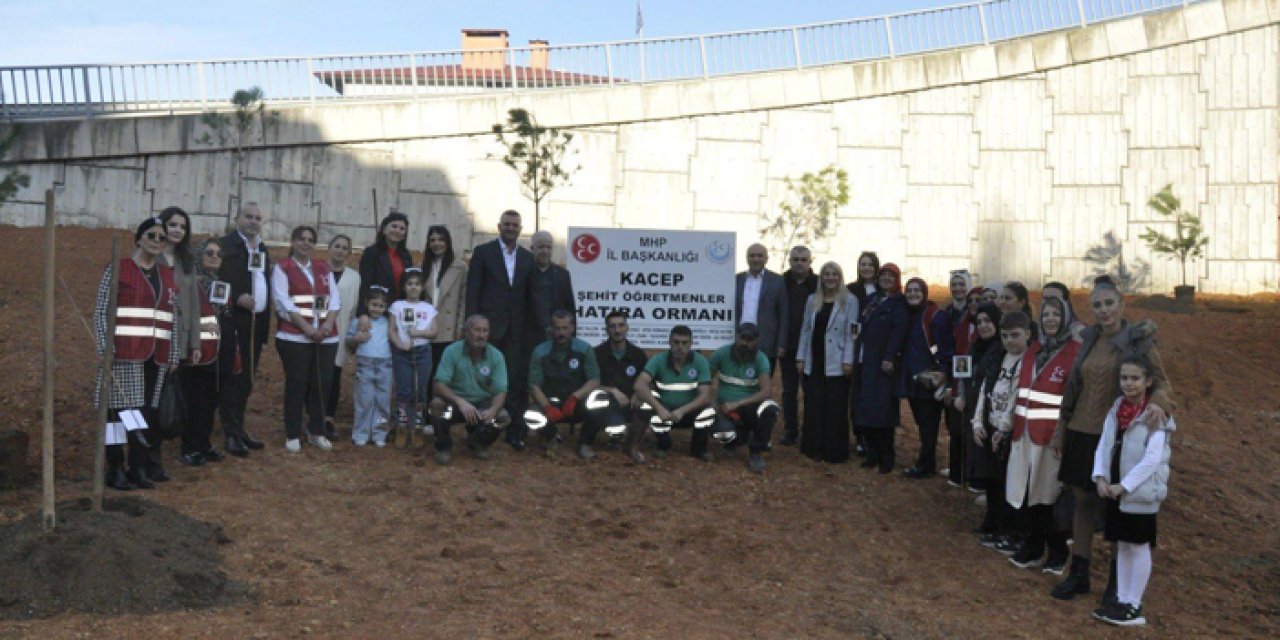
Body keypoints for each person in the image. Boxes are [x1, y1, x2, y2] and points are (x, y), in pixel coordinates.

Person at [1049, 275, 1174, 603]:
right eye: (1097, 305)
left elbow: (1161, 383)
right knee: (1082, 503)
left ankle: (1117, 584)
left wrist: (1159, 404)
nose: (1103, 310)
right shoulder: (1088, 339)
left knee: (1118, 509)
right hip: (1081, 429)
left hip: (1118, 435)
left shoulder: (1138, 340)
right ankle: (1079, 573)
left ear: (1121, 305)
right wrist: (1062, 428)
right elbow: (1074, 387)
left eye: (1109, 303)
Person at [93, 217, 182, 490]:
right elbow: (101, 311)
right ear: (139, 238)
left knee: (144, 413)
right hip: (124, 352)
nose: (157, 241)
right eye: (152, 235)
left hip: (157, 355)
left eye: (162, 238)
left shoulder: (167, 275)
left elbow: (173, 317)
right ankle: (115, 467)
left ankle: (138, 467)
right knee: (117, 412)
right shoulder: (119, 269)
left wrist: (174, 352)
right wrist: (104, 347)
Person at [1090, 356, 1175, 627]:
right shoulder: (1117, 409)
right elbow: (1104, 443)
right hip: (1116, 490)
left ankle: (1133, 605)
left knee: (1138, 546)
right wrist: (1101, 476)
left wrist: (1124, 485)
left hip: (1139, 493)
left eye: (1135, 378)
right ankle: (1121, 598)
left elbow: (1152, 459)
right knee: (1123, 544)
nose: (1128, 383)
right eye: (1124, 378)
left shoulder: (1154, 415)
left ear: (1148, 381)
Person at [1004, 297, 1080, 574]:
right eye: (1045, 314)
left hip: (1051, 439)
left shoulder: (1075, 352)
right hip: (1023, 434)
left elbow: (1073, 401)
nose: (1049, 319)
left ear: (1066, 318)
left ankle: (1057, 550)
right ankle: (1034, 545)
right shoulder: (1033, 350)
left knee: (1047, 496)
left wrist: (1063, 435)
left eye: (1055, 315)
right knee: (1026, 493)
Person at [465, 210, 534, 450]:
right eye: (507, 224)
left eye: (515, 225)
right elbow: (473, 290)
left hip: (517, 330)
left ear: (520, 229)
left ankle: (515, 430)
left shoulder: (528, 257)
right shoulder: (483, 253)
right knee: (483, 378)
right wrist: (471, 326)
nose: (511, 228)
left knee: (515, 380)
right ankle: (480, 427)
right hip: (488, 329)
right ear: (499, 226)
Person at [272, 225, 341, 453]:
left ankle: (316, 431)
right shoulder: (283, 267)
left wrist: (328, 324)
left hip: (326, 337)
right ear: (293, 241)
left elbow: (334, 300)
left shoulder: (324, 267)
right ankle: (293, 433)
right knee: (297, 384)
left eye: (310, 239)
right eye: (301, 238)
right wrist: (307, 330)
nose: (306, 243)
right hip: (294, 337)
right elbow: (284, 302)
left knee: (322, 384)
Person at [973, 311, 1031, 554]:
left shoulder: (1028, 361)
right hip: (991, 427)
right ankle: (997, 526)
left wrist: (1005, 428)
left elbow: (1018, 396)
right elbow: (985, 390)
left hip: (1013, 433)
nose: (1010, 341)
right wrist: (977, 422)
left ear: (1027, 334)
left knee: (1014, 485)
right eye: (1005, 335)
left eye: (1015, 335)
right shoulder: (999, 357)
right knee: (995, 481)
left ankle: (1014, 533)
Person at [217, 203, 270, 455]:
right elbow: (213, 281)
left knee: (247, 380)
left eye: (258, 218)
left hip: (255, 325)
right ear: (237, 218)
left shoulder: (261, 248)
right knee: (232, 378)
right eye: (248, 217)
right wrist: (236, 296)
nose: (253, 221)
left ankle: (239, 428)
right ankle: (230, 433)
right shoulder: (224, 246)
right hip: (232, 322)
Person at [429, 315, 513, 465]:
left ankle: (478, 441)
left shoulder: (497, 356)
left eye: (485, 331)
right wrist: (460, 402)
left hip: (481, 405)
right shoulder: (451, 351)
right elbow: (439, 384)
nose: (481, 335)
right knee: (436, 406)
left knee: (502, 417)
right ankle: (444, 447)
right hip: (455, 404)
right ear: (466, 332)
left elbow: (501, 391)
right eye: (477, 330)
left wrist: (493, 410)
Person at [178, 238, 233, 466]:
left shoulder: (219, 283)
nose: (214, 257)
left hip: (216, 353)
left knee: (210, 402)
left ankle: (204, 443)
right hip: (195, 352)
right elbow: (178, 313)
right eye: (209, 252)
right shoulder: (189, 282)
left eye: (219, 254)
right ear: (198, 255)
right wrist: (199, 327)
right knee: (195, 402)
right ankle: (190, 447)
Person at [795, 261, 857, 463]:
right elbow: (805, 329)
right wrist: (800, 357)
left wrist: (848, 360)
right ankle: (813, 447)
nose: (830, 277)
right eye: (826, 274)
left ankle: (834, 451)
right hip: (815, 359)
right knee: (813, 405)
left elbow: (851, 333)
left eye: (834, 274)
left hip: (837, 362)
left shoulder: (850, 301)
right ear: (821, 277)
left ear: (840, 277)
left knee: (835, 408)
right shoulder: (813, 299)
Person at [526, 311, 606, 459]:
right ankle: (550, 437)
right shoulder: (540, 351)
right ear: (551, 329)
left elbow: (594, 380)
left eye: (565, 328)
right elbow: (533, 385)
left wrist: (575, 397)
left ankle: (585, 443)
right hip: (552, 402)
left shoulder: (584, 349)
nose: (561, 333)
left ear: (572, 328)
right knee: (530, 413)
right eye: (557, 328)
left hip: (577, 402)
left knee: (600, 402)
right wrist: (546, 406)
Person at [958, 303, 1007, 541]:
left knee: (996, 472)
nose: (983, 325)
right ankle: (992, 518)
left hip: (995, 417)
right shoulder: (976, 347)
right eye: (979, 322)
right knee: (988, 470)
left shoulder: (1001, 350)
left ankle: (1000, 523)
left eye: (988, 320)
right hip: (977, 414)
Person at [898, 277, 955, 479]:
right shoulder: (910, 315)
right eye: (909, 290)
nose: (913, 294)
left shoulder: (934, 316)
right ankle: (926, 460)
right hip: (913, 379)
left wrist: (939, 371)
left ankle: (926, 464)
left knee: (929, 425)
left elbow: (943, 347)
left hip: (928, 381)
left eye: (916, 290)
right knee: (922, 424)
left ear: (924, 292)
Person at [855, 263, 909, 473]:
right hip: (866, 361)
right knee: (866, 409)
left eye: (891, 276)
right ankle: (872, 453)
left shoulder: (899, 303)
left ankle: (887, 456)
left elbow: (898, 332)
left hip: (884, 364)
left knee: (883, 412)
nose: (886, 278)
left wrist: (889, 357)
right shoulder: (872, 300)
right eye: (883, 275)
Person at [633, 325, 715, 460]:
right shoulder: (658, 360)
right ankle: (662, 445)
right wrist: (659, 408)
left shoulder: (700, 361)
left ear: (691, 344)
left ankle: (698, 449)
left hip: (688, 412)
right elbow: (639, 385)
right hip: (664, 411)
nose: (680, 347)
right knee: (647, 403)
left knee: (708, 410)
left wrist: (682, 410)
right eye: (676, 342)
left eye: (684, 343)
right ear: (669, 342)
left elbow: (705, 395)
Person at [708, 323, 779, 472]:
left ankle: (756, 452)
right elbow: (704, 381)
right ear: (736, 336)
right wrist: (711, 403)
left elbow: (766, 391)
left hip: (748, 407)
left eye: (749, 340)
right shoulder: (721, 354)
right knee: (722, 429)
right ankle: (734, 442)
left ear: (757, 341)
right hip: (725, 409)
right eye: (742, 338)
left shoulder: (761, 359)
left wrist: (738, 403)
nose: (745, 343)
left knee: (770, 409)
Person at [389, 267, 438, 446]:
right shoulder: (397, 306)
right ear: (404, 287)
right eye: (409, 284)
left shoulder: (428, 307)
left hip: (423, 352)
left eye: (417, 284)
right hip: (403, 352)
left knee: (421, 391)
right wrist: (400, 344)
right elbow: (392, 330)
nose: (413, 287)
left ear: (423, 287)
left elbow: (433, 332)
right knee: (404, 391)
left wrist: (418, 333)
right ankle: (402, 427)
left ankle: (417, 427)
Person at [592, 310, 650, 462]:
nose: (617, 330)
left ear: (627, 328)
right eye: (612, 326)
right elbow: (589, 384)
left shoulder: (638, 354)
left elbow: (648, 382)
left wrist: (638, 393)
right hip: (607, 403)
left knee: (649, 403)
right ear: (606, 330)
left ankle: (632, 445)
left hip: (632, 402)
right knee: (594, 400)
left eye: (621, 325)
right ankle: (588, 440)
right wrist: (611, 390)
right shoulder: (596, 354)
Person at [347, 286, 394, 447]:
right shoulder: (358, 321)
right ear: (367, 304)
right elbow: (349, 342)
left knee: (382, 401)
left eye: (381, 306)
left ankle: (380, 433)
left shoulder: (388, 323)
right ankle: (361, 433)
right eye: (374, 305)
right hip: (365, 365)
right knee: (364, 400)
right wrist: (357, 338)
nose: (377, 309)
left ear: (386, 307)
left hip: (385, 365)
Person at [779, 245, 817, 446]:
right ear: (790, 261)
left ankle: (812, 430)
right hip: (788, 346)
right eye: (795, 259)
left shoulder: (819, 284)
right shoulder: (781, 282)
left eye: (803, 259)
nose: (799, 263)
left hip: (814, 348)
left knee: (812, 391)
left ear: (810, 262)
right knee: (789, 391)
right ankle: (790, 429)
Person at [422, 224, 467, 394]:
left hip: (448, 330)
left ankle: (441, 414)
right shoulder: (423, 266)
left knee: (444, 376)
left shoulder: (460, 267)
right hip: (426, 328)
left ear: (448, 242)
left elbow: (463, 300)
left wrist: (460, 327)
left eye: (441, 239)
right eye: (432, 240)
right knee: (426, 374)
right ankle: (425, 414)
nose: (436, 243)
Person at [324, 234, 361, 440]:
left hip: (341, 329)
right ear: (329, 248)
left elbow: (354, 308)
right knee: (315, 375)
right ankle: (313, 416)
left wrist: (351, 335)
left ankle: (328, 418)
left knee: (334, 375)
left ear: (349, 252)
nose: (340, 250)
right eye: (336, 246)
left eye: (344, 247)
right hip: (317, 330)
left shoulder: (354, 278)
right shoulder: (317, 270)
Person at [846, 250, 880, 456]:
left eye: (869, 264)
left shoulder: (883, 291)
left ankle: (874, 437)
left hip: (876, 352)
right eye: (862, 264)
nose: (866, 268)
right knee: (856, 397)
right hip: (855, 349)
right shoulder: (850, 290)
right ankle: (859, 437)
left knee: (874, 396)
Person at [158, 207, 202, 366]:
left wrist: (195, 344)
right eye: (173, 225)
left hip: (181, 337)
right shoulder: (149, 257)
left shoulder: (187, 261)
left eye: (183, 227)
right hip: (156, 334)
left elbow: (194, 305)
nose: (178, 230)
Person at [734, 243, 787, 369]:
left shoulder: (778, 281)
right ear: (747, 258)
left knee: (764, 381)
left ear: (766, 259)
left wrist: (781, 343)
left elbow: (784, 314)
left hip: (766, 341)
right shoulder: (736, 279)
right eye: (752, 256)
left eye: (760, 256)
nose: (756, 259)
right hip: (738, 339)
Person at [357, 211, 413, 316]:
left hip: (399, 310)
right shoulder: (371, 253)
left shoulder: (406, 256)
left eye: (402, 229)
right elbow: (365, 285)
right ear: (384, 230)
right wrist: (363, 313)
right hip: (377, 311)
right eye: (394, 226)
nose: (398, 230)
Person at [527, 230, 576, 341]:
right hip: (528, 337)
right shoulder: (523, 273)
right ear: (532, 248)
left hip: (557, 336)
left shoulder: (563, 275)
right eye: (541, 247)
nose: (545, 251)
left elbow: (570, 307)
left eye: (548, 247)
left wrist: (572, 336)